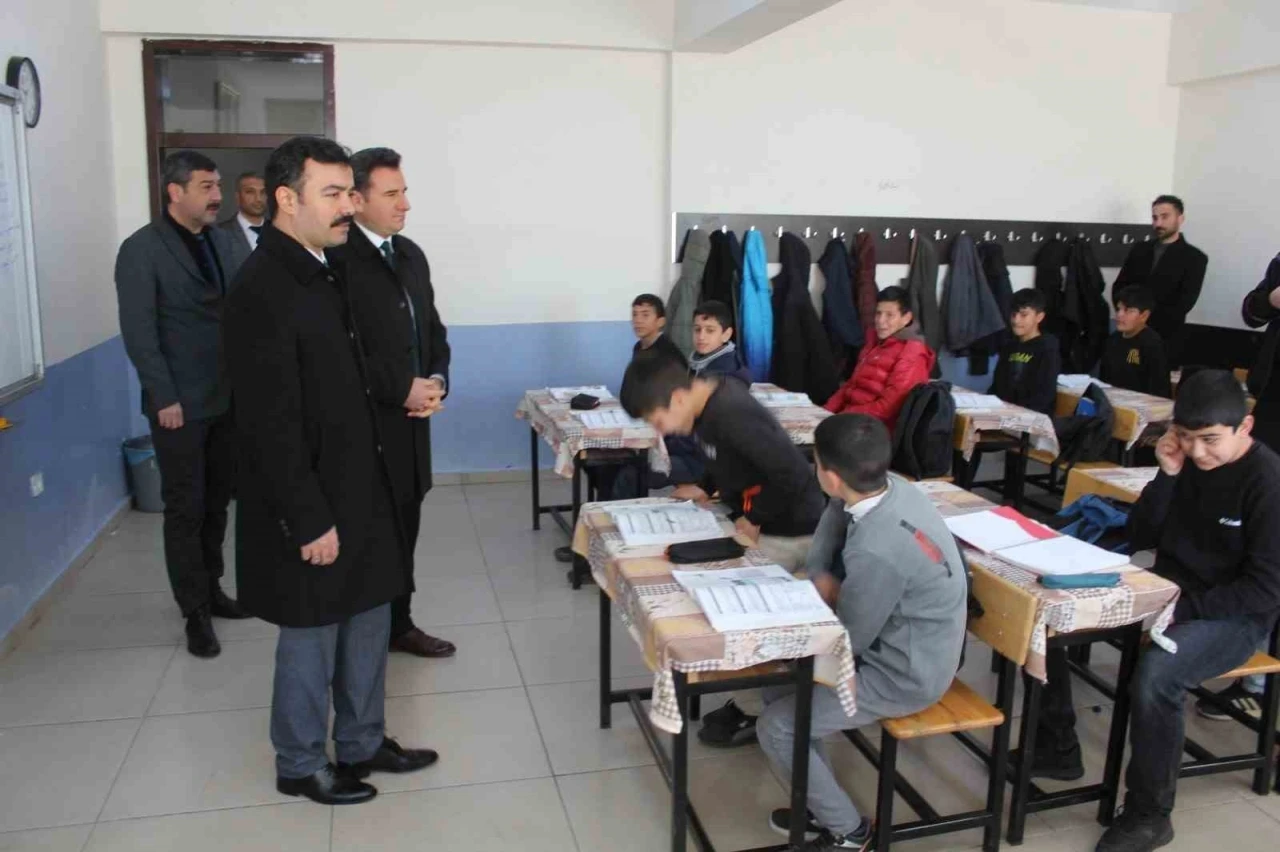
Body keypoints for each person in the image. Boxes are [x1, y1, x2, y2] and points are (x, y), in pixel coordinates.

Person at [223, 136, 437, 806]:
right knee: (312, 631)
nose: (348, 206)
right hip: (312, 496)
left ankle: (362, 742)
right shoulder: (263, 289)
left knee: (368, 614)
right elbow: (269, 423)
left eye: (350, 192)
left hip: (360, 481)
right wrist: (308, 517)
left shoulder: (328, 268)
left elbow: (359, 369)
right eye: (334, 193)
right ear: (287, 199)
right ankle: (298, 762)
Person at [1021, 370, 1280, 852]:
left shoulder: (1267, 481)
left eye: (1210, 440)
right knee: (1048, 613)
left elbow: (1266, 587)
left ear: (1245, 427)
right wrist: (1167, 474)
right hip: (1166, 589)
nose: (1197, 451)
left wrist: (1183, 609)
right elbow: (1141, 535)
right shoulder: (1184, 463)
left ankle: (1149, 814)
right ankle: (1058, 746)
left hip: (1235, 614)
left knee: (1158, 676)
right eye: (1185, 436)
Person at [759, 414, 968, 850]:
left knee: (778, 726)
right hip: (896, 642)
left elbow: (851, 639)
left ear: (831, 477)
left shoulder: (878, 548)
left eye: (816, 463)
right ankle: (818, 799)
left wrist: (797, 619)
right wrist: (818, 575)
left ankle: (851, 833)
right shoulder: (890, 487)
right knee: (775, 683)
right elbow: (833, 521)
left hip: (904, 674)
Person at [621, 354, 826, 748]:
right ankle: (748, 697)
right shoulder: (703, 404)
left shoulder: (731, 412)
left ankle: (764, 709)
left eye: (657, 420)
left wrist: (757, 518)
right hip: (757, 514)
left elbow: (792, 473)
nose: (659, 430)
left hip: (790, 526)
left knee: (727, 608)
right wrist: (705, 486)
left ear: (678, 398)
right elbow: (724, 455)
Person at [115, 150, 249, 659]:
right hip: (179, 405)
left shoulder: (223, 240)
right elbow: (140, 332)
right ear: (175, 192)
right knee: (186, 508)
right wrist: (164, 396)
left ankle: (213, 589)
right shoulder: (141, 249)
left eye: (218, 185)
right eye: (205, 186)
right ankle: (193, 611)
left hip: (226, 396)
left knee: (217, 501)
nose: (217, 196)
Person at [328, 147, 456, 660]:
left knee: (405, 527)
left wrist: (436, 380)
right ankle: (356, 631)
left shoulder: (409, 255)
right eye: (392, 194)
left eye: (404, 192)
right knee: (365, 534)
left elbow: (432, 331)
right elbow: (341, 350)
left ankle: (399, 624)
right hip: (364, 426)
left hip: (412, 426)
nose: (405, 204)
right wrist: (399, 387)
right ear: (357, 200)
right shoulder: (338, 261)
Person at [1111, 195, 1208, 368]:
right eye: (1155, 217)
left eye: (1164, 217)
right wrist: (1127, 316)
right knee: (1123, 376)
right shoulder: (1140, 249)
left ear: (1180, 218)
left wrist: (1143, 321)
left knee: (1155, 380)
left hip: (1165, 337)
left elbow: (1185, 302)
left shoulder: (1194, 258)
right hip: (1129, 335)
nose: (1158, 223)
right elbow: (1119, 287)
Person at [823, 286, 936, 433]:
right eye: (878, 313)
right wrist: (824, 413)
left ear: (906, 318)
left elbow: (887, 409)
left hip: (874, 431)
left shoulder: (912, 354)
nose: (881, 321)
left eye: (889, 315)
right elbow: (851, 385)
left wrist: (840, 417)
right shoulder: (874, 342)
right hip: (851, 420)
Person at [990, 288, 1061, 414]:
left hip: (1032, 417)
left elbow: (1044, 396)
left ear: (1039, 317)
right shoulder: (1009, 346)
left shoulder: (1047, 348)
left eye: (1023, 315)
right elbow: (997, 386)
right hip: (1004, 412)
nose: (1016, 320)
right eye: (1013, 314)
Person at [1099, 286, 1172, 398]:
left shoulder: (1153, 344)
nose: (1119, 315)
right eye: (1119, 309)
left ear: (1144, 315)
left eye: (1128, 311)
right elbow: (1103, 380)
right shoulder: (1112, 340)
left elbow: (1160, 389)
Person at [689, 300, 751, 383]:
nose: (701, 337)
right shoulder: (696, 362)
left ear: (726, 335)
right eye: (697, 329)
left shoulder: (726, 374)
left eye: (710, 330)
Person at [219, 171, 268, 259]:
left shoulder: (280, 231)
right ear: (238, 196)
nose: (258, 199)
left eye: (263, 192)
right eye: (250, 192)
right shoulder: (220, 234)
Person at [632, 293, 688, 367]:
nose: (638, 320)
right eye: (635, 314)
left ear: (661, 321)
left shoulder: (667, 352)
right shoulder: (638, 347)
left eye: (645, 315)